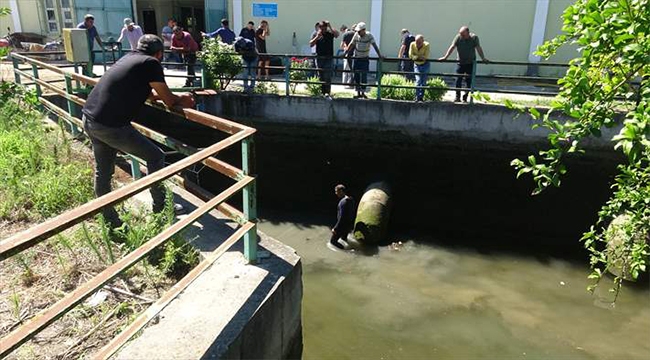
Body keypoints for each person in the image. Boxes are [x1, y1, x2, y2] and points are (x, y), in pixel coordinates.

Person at [82, 35, 195, 228]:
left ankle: (108, 218)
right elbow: (169, 100)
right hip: (111, 126)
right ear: (159, 53)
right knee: (155, 156)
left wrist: (160, 97)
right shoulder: (151, 63)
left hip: (90, 119)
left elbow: (148, 93)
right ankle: (161, 207)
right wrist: (184, 98)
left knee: (103, 171)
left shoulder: (128, 58)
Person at [438, 26, 489, 102]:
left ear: (468, 33)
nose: (462, 36)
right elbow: (452, 47)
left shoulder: (474, 38)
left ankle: (465, 96)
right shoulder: (458, 38)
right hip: (460, 62)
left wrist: (483, 58)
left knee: (469, 81)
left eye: (463, 35)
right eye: (461, 34)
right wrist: (445, 57)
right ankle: (457, 96)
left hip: (470, 63)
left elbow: (478, 48)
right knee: (458, 80)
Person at [346, 22, 383, 99]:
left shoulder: (369, 36)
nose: (358, 32)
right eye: (358, 31)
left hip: (365, 58)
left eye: (359, 31)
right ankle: (358, 93)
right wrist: (345, 53)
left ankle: (363, 92)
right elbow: (351, 44)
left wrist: (379, 55)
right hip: (356, 57)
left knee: (364, 76)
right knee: (356, 76)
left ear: (364, 30)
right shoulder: (356, 35)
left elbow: (374, 45)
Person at [309, 20, 339, 98]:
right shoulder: (316, 34)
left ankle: (327, 93)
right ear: (319, 28)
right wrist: (317, 37)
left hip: (329, 57)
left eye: (325, 28)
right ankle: (322, 92)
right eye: (322, 29)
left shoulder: (330, 33)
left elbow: (337, 35)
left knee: (327, 76)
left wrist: (330, 26)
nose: (323, 30)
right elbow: (311, 44)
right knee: (320, 76)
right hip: (319, 58)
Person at [330, 184, 355, 250]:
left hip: (342, 226)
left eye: (336, 191)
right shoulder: (351, 199)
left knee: (332, 242)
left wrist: (335, 228)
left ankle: (346, 251)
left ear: (341, 191)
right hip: (348, 225)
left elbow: (342, 217)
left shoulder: (343, 202)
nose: (336, 193)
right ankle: (350, 248)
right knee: (344, 238)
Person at [410, 34, 430, 102]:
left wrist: (416, 56)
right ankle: (417, 97)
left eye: (419, 43)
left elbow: (426, 57)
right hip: (417, 64)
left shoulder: (427, 45)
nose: (417, 44)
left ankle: (421, 97)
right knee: (418, 81)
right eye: (416, 42)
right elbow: (410, 55)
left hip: (425, 64)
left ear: (423, 41)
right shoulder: (412, 44)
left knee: (423, 82)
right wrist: (417, 57)